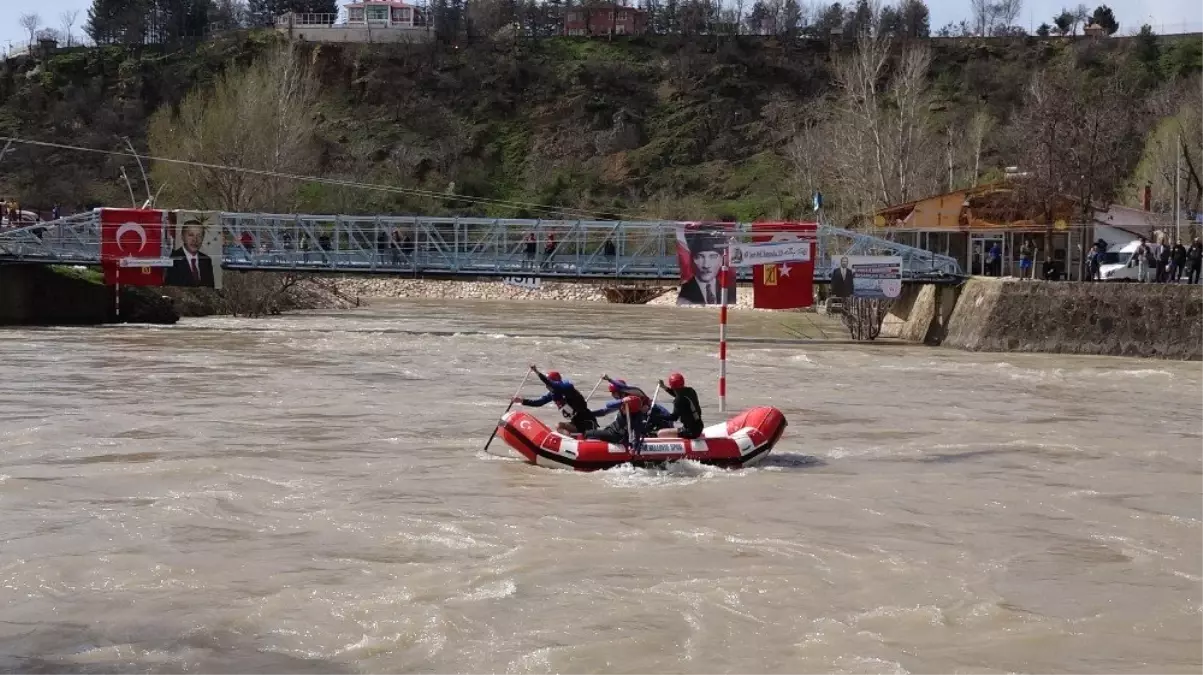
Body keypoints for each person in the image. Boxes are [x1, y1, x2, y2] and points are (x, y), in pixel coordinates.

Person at [512, 366, 598, 434]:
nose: (547, 387)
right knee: (558, 426)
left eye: (549, 383)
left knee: (559, 426)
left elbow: (550, 383)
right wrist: (522, 401)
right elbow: (539, 403)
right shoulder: (553, 394)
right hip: (576, 423)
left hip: (587, 423)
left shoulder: (567, 388)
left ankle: (568, 444)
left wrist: (536, 371)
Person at [677, 230, 734, 306]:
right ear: (692, 260)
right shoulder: (684, 295)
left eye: (713, 256)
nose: (706, 265)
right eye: (699, 257)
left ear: (721, 260)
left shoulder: (729, 293)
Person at [592, 379, 673, 432]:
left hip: (661, 418)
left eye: (614, 393)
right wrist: (590, 413)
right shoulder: (623, 400)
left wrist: (609, 379)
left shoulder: (635, 397)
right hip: (649, 420)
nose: (612, 395)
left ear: (621, 392)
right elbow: (605, 411)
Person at [165, 218, 216, 287]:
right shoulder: (173, 258)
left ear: (203, 238)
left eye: (199, 236)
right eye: (191, 235)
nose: (195, 240)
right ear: (182, 237)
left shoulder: (206, 260)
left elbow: (210, 288)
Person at [656, 372, 705, 439]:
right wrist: (664, 387)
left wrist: (658, 416)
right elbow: (677, 394)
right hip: (699, 426)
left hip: (690, 431)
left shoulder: (678, 401)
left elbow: (673, 417)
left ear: (671, 386)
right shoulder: (691, 391)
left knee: (660, 433)